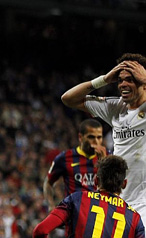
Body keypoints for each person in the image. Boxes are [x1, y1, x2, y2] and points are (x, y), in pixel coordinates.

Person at [61, 53, 146, 219]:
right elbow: (68, 99)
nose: (123, 84)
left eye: (131, 79)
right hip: (118, 198)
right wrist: (104, 80)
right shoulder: (115, 108)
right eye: (120, 80)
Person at [33, 155, 145, 238]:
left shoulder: (77, 199)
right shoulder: (135, 218)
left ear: (96, 180)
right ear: (124, 184)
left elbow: (40, 230)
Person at [43, 118, 107, 210]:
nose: (96, 141)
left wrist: (104, 163)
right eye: (91, 137)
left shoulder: (108, 157)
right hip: (74, 215)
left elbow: (116, 187)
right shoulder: (65, 158)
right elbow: (48, 182)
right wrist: (50, 205)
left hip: (100, 215)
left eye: (99, 137)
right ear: (80, 137)